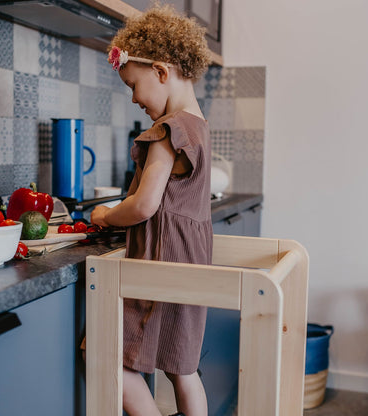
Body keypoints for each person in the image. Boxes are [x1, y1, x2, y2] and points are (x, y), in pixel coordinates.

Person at [89, 4, 212, 416]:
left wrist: (107, 215)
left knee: (104, 352)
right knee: (184, 366)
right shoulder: (200, 126)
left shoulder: (168, 129)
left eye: (133, 85)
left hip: (161, 263)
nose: (134, 98)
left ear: (161, 72)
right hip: (192, 263)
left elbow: (143, 204)